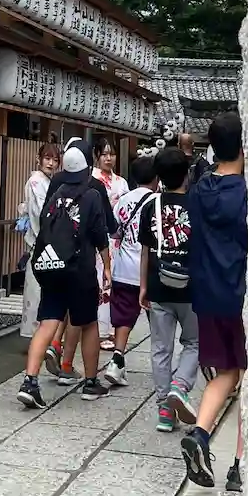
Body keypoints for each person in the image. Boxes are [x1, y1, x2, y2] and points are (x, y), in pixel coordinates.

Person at [180, 111, 247, 491]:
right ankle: (241, 466)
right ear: (244, 146)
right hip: (242, 297)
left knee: (225, 372)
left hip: (207, 296)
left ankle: (201, 434)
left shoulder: (199, 189)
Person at [17, 145, 112, 408]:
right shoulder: (92, 196)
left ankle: (30, 382)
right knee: (88, 323)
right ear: (85, 171)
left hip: (52, 267)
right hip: (79, 271)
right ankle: (91, 382)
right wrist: (106, 267)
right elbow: (100, 236)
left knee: (48, 323)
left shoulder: (55, 194)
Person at [43, 135, 118, 382]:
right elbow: (106, 227)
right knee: (81, 315)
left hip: (54, 257)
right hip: (83, 260)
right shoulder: (94, 187)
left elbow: (45, 216)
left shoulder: (56, 182)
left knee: (57, 310)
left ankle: (53, 346)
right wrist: (107, 266)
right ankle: (69, 366)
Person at [139, 146, 201, 431]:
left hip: (158, 283)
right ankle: (181, 385)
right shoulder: (197, 205)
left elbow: (145, 250)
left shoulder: (151, 206)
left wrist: (143, 286)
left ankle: (165, 410)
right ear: (186, 173)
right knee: (194, 342)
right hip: (191, 287)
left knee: (161, 348)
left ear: (159, 177)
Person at [101, 153, 157, 385]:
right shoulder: (158, 201)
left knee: (123, 317)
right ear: (156, 178)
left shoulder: (123, 201)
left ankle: (117, 359)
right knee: (158, 320)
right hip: (150, 271)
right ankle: (161, 367)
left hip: (124, 269)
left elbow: (114, 232)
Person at [20, 142, 61, 338]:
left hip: (46, 241)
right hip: (40, 242)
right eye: (47, 158)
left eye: (55, 160)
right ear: (39, 159)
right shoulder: (36, 181)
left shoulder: (47, 181)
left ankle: (41, 337)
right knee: (36, 293)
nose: (51, 163)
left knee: (42, 292)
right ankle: (36, 337)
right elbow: (39, 213)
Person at [92, 137, 128, 350]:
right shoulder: (92, 179)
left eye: (111, 154)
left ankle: (112, 330)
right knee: (99, 282)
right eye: (104, 154)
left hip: (116, 240)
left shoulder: (121, 182)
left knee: (114, 284)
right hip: (98, 238)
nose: (108, 158)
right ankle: (98, 330)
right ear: (97, 156)